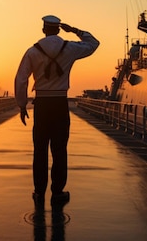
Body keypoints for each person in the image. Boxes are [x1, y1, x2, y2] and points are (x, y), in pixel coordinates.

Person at [14, 15, 99, 208]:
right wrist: (75, 30)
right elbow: (93, 44)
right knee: (60, 149)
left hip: (42, 105)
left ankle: (38, 192)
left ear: (44, 29)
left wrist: (21, 104)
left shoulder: (32, 51)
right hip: (60, 104)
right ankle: (58, 192)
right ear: (59, 29)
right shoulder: (69, 48)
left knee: (40, 149)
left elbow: (21, 79)